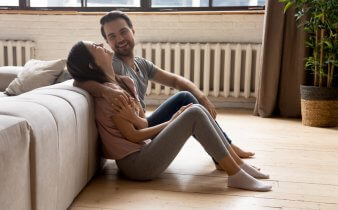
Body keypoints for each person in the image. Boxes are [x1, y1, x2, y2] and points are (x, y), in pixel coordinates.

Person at [67, 40, 272, 192]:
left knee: (193, 107)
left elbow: (142, 123)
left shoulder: (123, 83)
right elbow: (134, 136)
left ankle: (236, 165)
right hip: (138, 166)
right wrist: (173, 121)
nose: (102, 44)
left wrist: (168, 119)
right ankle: (235, 174)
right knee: (193, 113)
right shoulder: (112, 98)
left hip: (144, 148)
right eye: (96, 47)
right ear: (92, 66)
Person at [74, 11, 255, 167]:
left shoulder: (141, 64)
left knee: (185, 96)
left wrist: (202, 97)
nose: (120, 39)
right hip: (137, 131)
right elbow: (75, 79)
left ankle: (225, 149)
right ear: (107, 41)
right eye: (112, 36)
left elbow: (175, 80)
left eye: (123, 32)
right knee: (187, 104)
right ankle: (225, 150)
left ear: (133, 31)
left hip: (143, 123)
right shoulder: (113, 65)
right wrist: (105, 90)